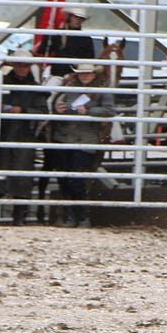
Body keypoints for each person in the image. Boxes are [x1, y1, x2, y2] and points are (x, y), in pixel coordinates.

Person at [44, 62, 115, 227]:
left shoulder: (100, 90)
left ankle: (79, 216)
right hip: (66, 138)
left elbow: (109, 111)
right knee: (64, 178)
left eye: (87, 73)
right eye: (82, 73)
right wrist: (59, 109)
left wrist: (89, 112)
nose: (84, 76)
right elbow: (109, 110)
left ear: (94, 74)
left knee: (75, 178)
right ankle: (75, 216)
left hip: (84, 138)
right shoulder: (70, 88)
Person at [0, 50, 47, 225]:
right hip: (5, 133)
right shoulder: (4, 83)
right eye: (20, 65)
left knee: (20, 177)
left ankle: (17, 216)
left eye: (26, 65)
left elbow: (43, 111)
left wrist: (22, 110)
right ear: (14, 66)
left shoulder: (33, 88)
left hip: (22, 133)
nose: (23, 69)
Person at [42, 6, 96, 81]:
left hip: (79, 77)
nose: (78, 20)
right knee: (49, 89)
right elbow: (44, 51)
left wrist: (76, 73)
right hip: (58, 76)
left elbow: (90, 60)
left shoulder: (86, 39)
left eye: (81, 18)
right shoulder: (58, 35)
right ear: (69, 17)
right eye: (76, 17)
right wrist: (47, 36)